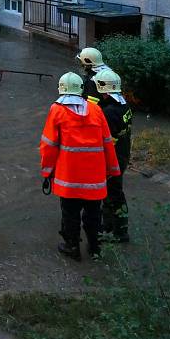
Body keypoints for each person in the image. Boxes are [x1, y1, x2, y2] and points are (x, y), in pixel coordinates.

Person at [40, 72, 121, 260]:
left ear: (61, 89)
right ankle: (95, 249)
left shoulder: (57, 110)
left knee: (70, 214)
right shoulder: (96, 109)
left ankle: (72, 247)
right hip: (95, 178)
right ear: (81, 90)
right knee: (94, 214)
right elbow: (107, 142)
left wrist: (46, 171)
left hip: (69, 177)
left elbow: (48, 145)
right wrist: (112, 170)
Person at [93, 69, 132, 242]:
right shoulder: (124, 104)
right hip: (123, 154)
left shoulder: (108, 112)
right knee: (112, 192)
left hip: (113, 158)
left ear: (104, 89)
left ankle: (121, 231)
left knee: (114, 193)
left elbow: (103, 140)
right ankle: (107, 225)